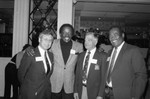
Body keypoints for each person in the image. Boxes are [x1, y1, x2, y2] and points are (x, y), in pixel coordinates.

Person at [105, 26, 147, 99]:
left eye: (115, 34)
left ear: (123, 35)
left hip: (125, 94)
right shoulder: (109, 52)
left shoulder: (133, 50)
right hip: (108, 93)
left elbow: (141, 76)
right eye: (110, 36)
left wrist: (135, 96)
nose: (112, 37)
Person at [18, 30, 54, 99]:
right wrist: (28, 88)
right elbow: (21, 74)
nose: (48, 42)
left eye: (50, 40)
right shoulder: (31, 53)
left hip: (45, 92)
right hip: (31, 93)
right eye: (45, 39)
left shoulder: (51, 55)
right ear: (39, 39)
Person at [50, 24, 83, 99]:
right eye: (64, 32)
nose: (67, 35)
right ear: (60, 33)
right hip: (54, 82)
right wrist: (29, 48)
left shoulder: (79, 46)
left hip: (70, 83)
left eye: (69, 33)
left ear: (72, 34)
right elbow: (42, 49)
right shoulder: (52, 43)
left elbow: (83, 60)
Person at [74, 32, 107, 99]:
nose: (86, 42)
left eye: (89, 40)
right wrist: (75, 90)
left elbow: (103, 78)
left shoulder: (102, 56)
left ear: (95, 42)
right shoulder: (80, 55)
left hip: (95, 92)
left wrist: (100, 94)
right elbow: (77, 74)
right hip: (81, 89)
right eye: (85, 40)